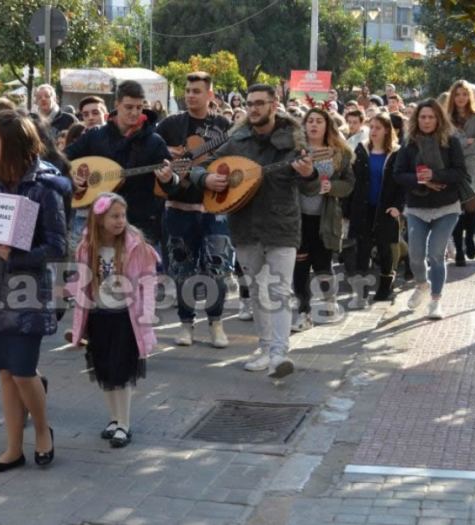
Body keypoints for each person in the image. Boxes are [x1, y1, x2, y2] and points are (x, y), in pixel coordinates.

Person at [0, 110, 68, 472]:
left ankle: (43, 432)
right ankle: (13, 448)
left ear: (12, 143)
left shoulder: (45, 188)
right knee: (5, 372)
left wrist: (15, 255)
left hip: (26, 291)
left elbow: (57, 246)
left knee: (22, 372)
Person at [186, 84, 318, 377]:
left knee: (279, 289)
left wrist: (309, 173)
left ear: (274, 105)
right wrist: (207, 179)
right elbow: (200, 167)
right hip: (245, 224)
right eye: (250, 103)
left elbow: (311, 186)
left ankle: (279, 353)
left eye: (260, 103)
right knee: (257, 289)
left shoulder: (294, 140)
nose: (254, 108)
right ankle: (265, 346)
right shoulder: (237, 139)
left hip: (282, 224)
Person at [67, 192, 159, 448]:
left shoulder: (135, 245)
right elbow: (82, 281)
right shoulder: (87, 247)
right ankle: (113, 418)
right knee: (104, 370)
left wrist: (147, 314)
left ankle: (124, 423)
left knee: (121, 370)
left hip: (124, 318)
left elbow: (148, 280)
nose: (120, 221)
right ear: (99, 219)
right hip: (98, 316)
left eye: (123, 215)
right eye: (114, 216)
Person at [155, 71, 234, 348]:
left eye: (197, 91)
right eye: (187, 90)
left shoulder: (224, 125)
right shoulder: (170, 124)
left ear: (210, 94)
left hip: (215, 208)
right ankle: (186, 324)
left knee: (217, 268)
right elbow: (153, 150)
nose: (190, 95)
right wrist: (168, 154)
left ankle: (216, 323)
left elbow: (235, 161)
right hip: (178, 208)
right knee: (182, 268)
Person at [66, 80, 170, 244]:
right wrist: (69, 177)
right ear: (117, 105)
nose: (135, 112)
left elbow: (172, 185)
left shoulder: (154, 142)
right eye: (129, 107)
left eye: (139, 107)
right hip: (101, 224)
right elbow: (61, 158)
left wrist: (169, 179)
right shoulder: (96, 136)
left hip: (140, 225)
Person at [392, 99, 467, 319]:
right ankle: (421, 284)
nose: (426, 121)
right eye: (423, 117)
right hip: (417, 207)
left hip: (446, 207)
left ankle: (436, 300)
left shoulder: (450, 141)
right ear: (417, 119)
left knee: (436, 254)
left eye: (431, 117)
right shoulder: (409, 142)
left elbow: (460, 172)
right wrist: (419, 179)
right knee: (415, 256)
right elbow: (398, 174)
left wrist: (435, 175)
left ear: (439, 119)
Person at [291, 108, 354, 331]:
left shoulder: (341, 152)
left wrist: (332, 187)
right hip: (298, 217)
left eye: (319, 121)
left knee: (322, 264)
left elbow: (349, 184)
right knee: (299, 267)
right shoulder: (295, 150)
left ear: (327, 125)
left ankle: (329, 299)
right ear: (304, 125)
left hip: (326, 218)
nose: (314, 125)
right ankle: (304, 313)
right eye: (310, 121)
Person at [346, 114, 402, 305]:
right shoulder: (361, 150)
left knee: (384, 247)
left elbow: (401, 183)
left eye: (378, 127)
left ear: (387, 130)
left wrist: (398, 206)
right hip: (363, 207)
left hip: (385, 209)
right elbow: (352, 180)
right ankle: (361, 291)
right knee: (362, 248)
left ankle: (386, 283)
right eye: (372, 127)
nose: (374, 131)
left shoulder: (395, 153)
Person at [446, 80, 475, 266]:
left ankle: (470, 237)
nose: (461, 98)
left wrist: (460, 146)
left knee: (471, 207)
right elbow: (445, 144)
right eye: (457, 94)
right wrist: (466, 142)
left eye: (464, 94)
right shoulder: (446, 118)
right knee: (456, 209)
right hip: (454, 168)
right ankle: (459, 249)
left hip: (474, 167)